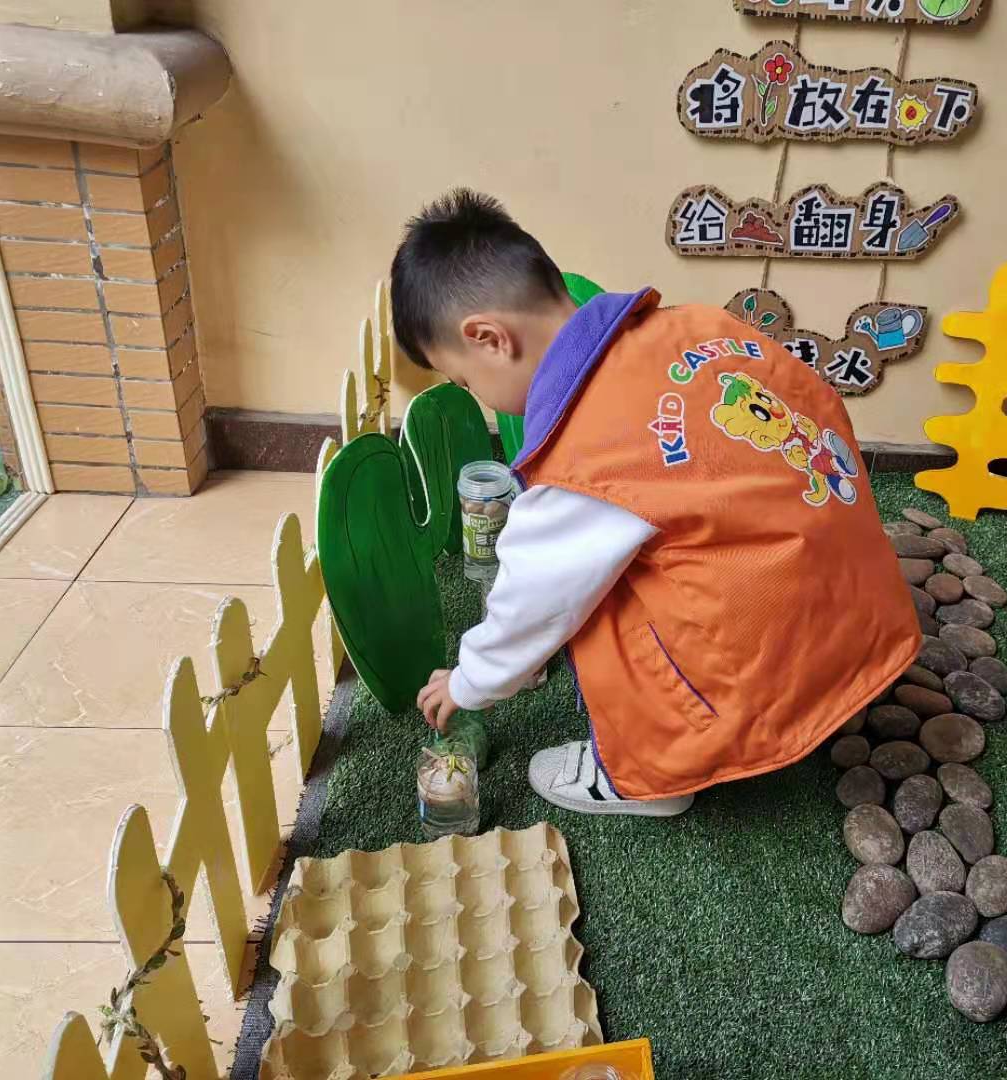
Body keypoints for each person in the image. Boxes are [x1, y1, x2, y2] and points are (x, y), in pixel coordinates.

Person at [392, 189, 920, 817]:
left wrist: (469, 680)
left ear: (488, 339)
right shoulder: (703, 327)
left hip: (767, 680)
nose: (477, 397)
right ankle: (830, 682)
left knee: (591, 588)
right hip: (860, 618)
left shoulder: (586, 456)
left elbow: (533, 600)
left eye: (464, 380)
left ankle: (649, 776)